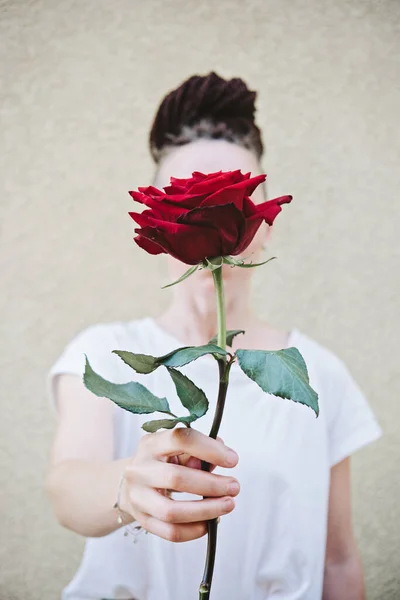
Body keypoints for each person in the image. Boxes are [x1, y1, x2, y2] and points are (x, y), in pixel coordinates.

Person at [46, 72, 382, 600]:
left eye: (234, 198)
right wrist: (130, 487)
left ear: (267, 220)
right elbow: (66, 488)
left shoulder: (319, 374)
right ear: (160, 224)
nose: (207, 213)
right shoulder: (104, 354)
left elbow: (338, 559)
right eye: (187, 201)